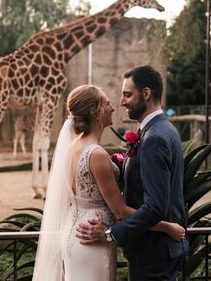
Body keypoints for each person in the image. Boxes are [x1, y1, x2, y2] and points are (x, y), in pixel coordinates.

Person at [32, 84, 185, 281]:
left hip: (74, 232)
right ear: (96, 112)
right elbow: (119, 211)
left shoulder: (71, 148)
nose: (113, 107)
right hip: (93, 238)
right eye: (107, 103)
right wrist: (167, 227)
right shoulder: (96, 154)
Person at [76, 65, 189, 280]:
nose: (121, 102)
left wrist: (110, 234)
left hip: (154, 253)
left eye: (127, 94)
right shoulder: (162, 129)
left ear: (146, 94)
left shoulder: (154, 137)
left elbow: (155, 207)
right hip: (155, 250)